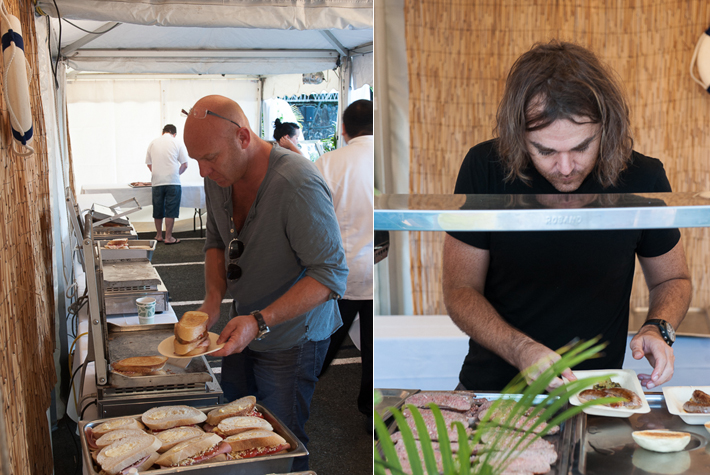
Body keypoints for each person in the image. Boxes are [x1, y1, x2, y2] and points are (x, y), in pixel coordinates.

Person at [442, 40, 692, 393]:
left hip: (598, 394)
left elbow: (673, 279)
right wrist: (521, 349)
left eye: (581, 147)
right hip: (495, 390)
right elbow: (460, 289)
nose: (564, 168)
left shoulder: (643, 178)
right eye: (545, 150)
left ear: (607, 128)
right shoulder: (485, 168)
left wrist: (658, 327)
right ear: (518, 136)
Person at [182, 95, 348, 471]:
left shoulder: (296, 182)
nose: (203, 172)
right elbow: (215, 241)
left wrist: (261, 321)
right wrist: (212, 300)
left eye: (210, 158)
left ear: (243, 137)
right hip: (244, 325)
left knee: (282, 441)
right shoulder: (220, 177)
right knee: (234, 430)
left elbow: (330, 274)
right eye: (196, 161)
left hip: (293, 335)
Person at [315, 99, 374, 422]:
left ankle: (301, 389)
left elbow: (313, 220)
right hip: (383, 271)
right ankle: (371, 411)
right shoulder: (393, 161)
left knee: (324, 338)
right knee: (375, 350)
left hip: (341, 272)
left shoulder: (328, 163)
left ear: (344, 129)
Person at [145, 124, 189, 244]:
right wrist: (176, 174)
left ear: (163, 132)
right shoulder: (177, 142)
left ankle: (159, 235)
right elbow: (185, 164)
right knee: (171, 210)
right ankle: (168, 237)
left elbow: (149, 163)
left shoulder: (153, 143)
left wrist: (158, 173)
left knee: (158, 209)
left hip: (157, 182)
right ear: (174, 134)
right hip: (173, 181)